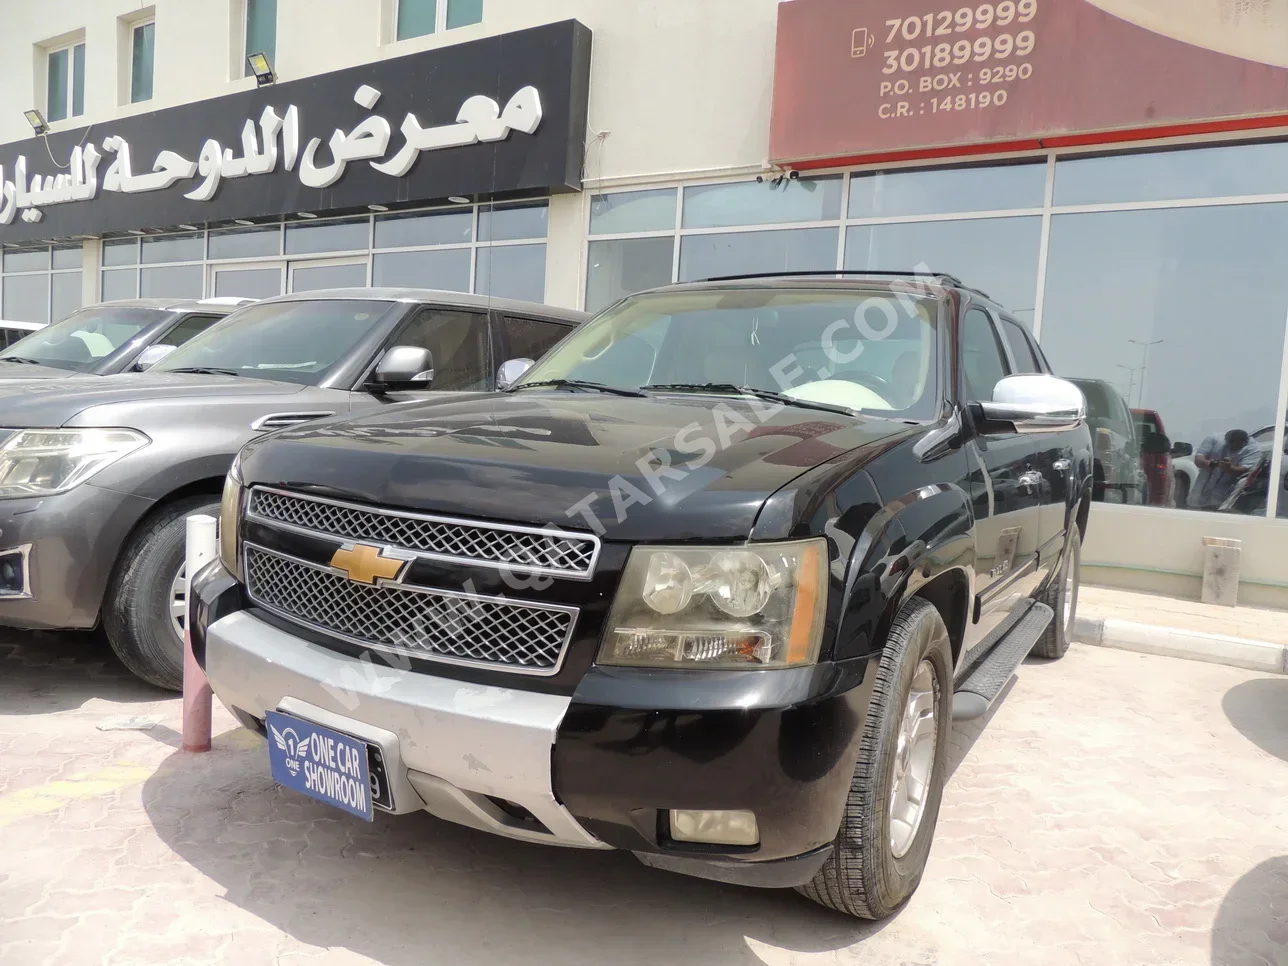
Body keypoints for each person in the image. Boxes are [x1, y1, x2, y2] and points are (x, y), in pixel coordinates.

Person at [1189, 428, 1262, 511]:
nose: (1229, 445)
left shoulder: (1253, 449)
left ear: (1244, 442)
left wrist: (1229, 467)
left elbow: (1243, 471)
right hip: (1201, 490)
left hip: (1223, 496)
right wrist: (1212, 463)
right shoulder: (1214, 439)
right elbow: (1198, 460)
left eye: (1233, 443)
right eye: (1229, 442)